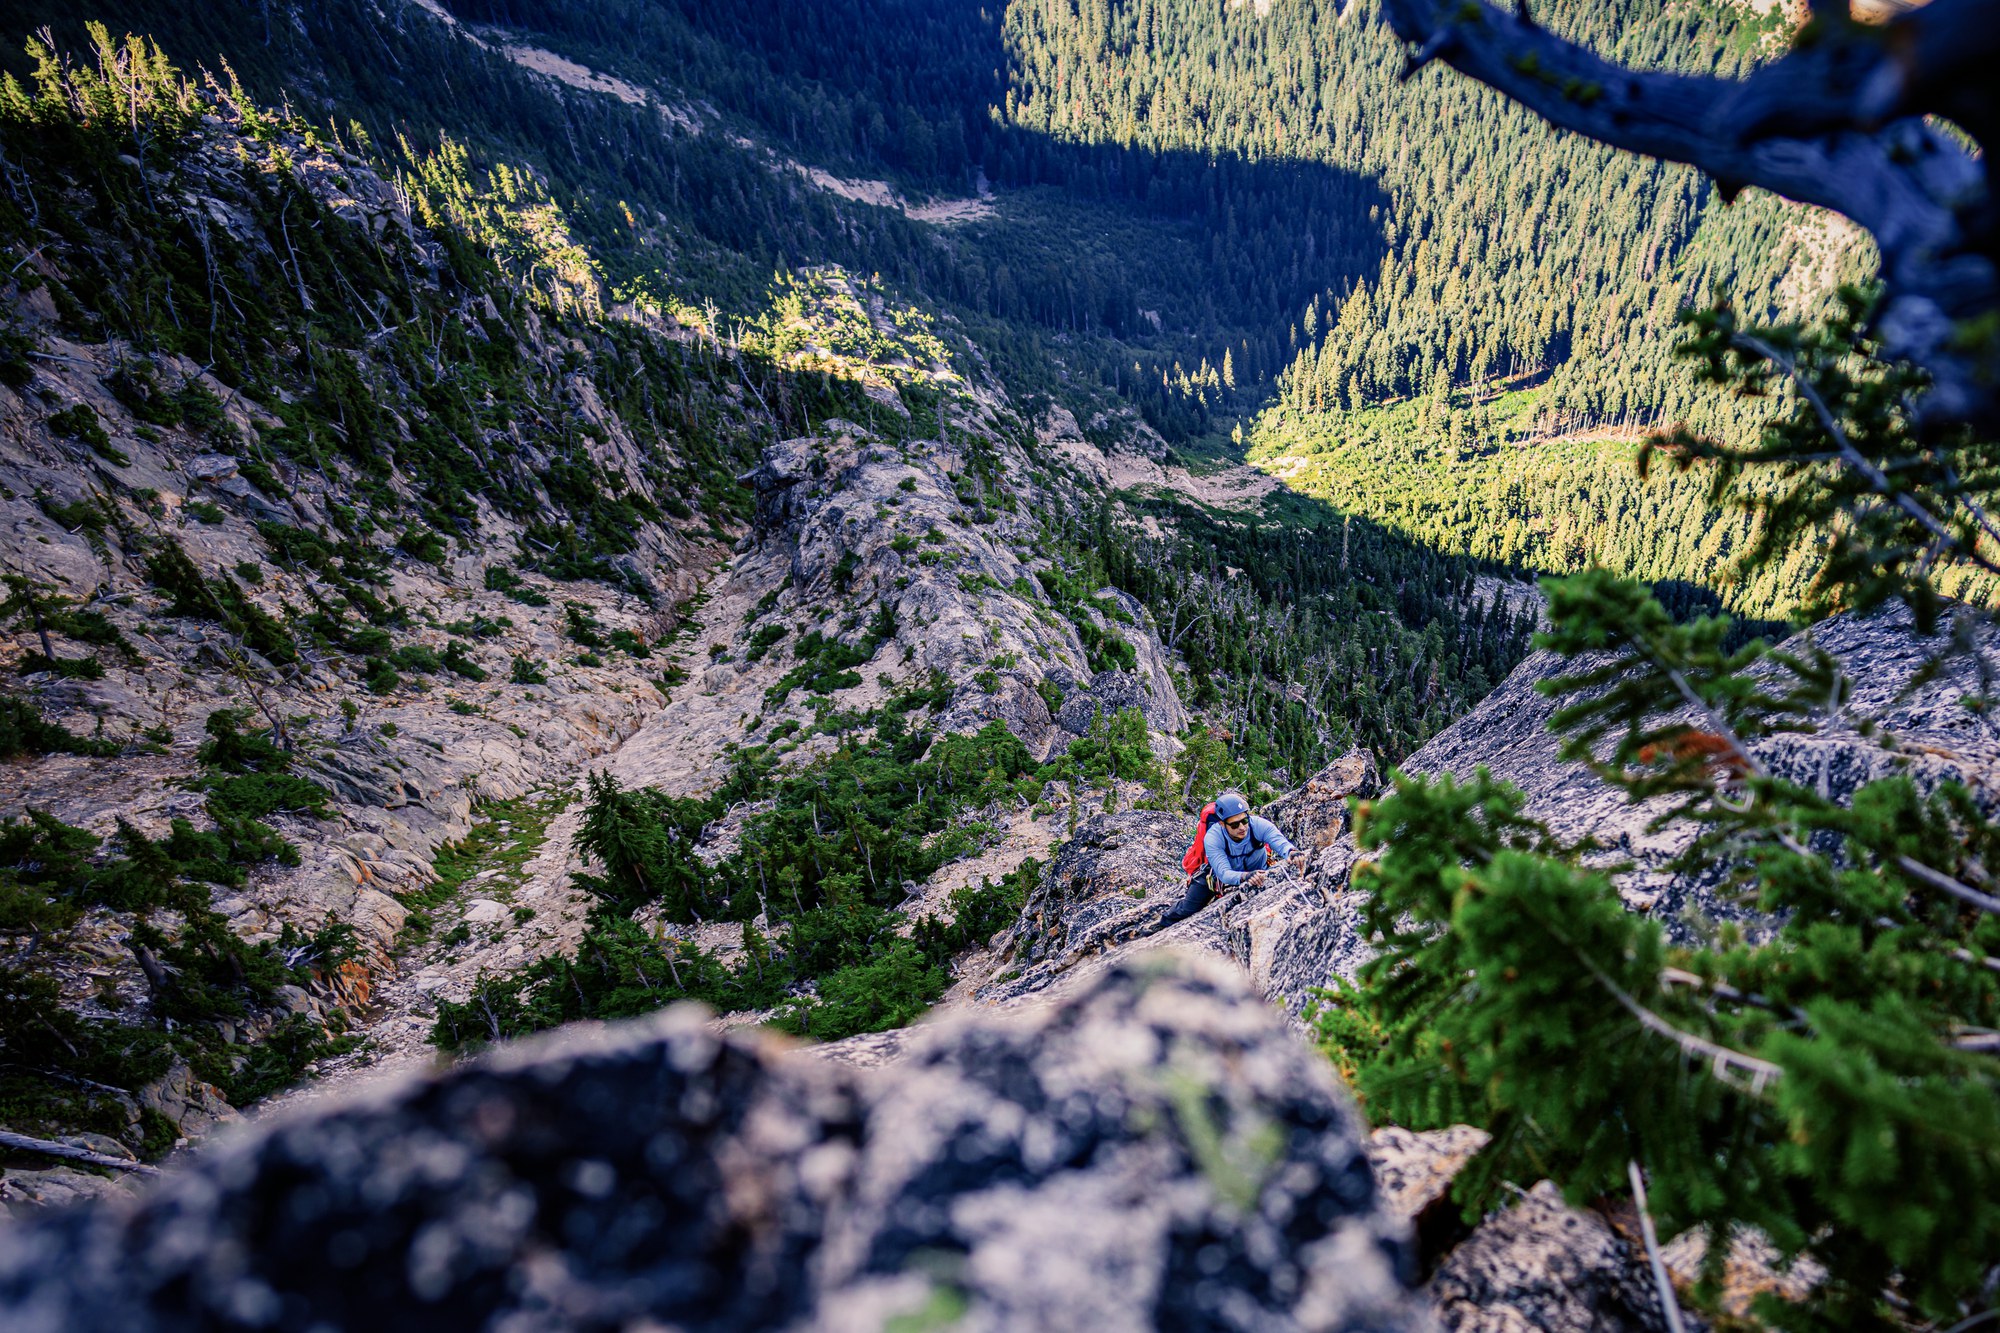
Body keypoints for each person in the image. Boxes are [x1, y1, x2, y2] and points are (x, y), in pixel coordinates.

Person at [1163, 791, 1298, 925]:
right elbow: (1224, 873)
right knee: (1187, 909)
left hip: (1258, 870)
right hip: (1220, 877)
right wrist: (1245, 876)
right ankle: (1163, 922)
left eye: (1244, 820)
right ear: (1222, 824)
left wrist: (1291, 852)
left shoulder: (1258, 825)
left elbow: (1279, 842)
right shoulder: (1213, 838)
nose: (1242, 827)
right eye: (1234, 824)